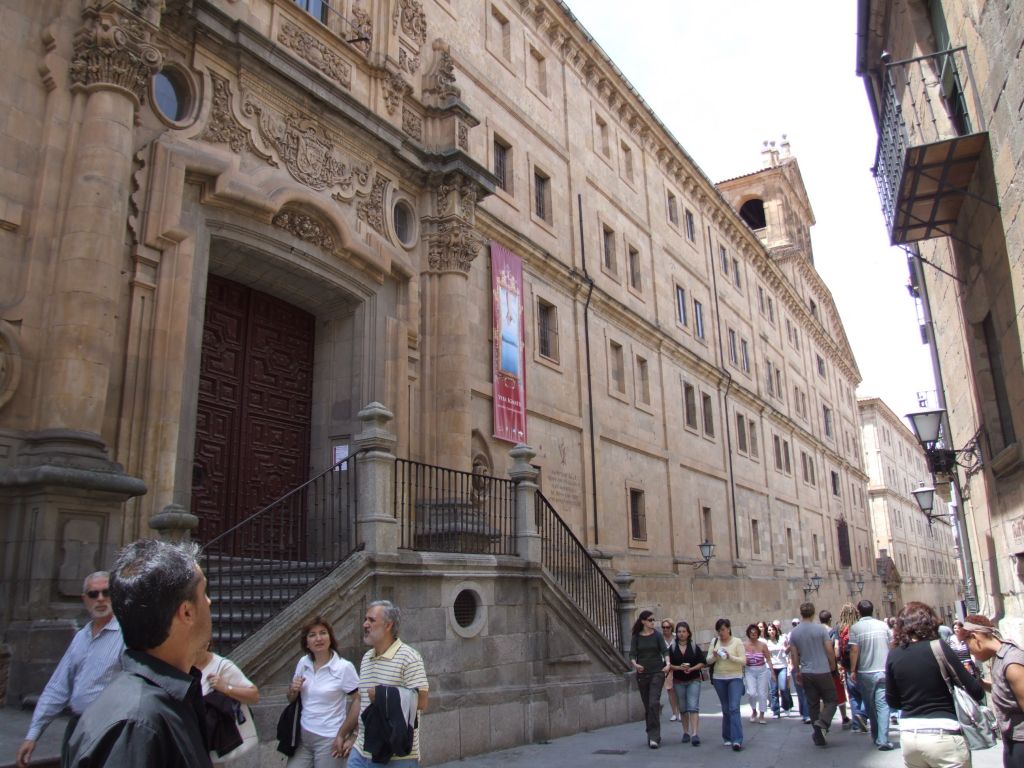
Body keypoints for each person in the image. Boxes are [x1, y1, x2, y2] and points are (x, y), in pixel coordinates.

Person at [64, 539, 214, 767]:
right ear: (186, 612)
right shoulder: (137, 725)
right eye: (204, 592)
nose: (210, 601)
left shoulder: (162, 705)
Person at [16, 572, 124, 768]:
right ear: (85, 599)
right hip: (78, 727)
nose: (100, 598)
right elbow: (58, 687)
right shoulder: (81, 637)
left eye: (106, 592)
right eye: (93, 594)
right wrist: (32, 735)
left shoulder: (127, 637)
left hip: (111, 730)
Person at [886, 602, 984, 768]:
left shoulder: (894, 654)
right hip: (944, 734)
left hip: (910, 737)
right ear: (930, 623)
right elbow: (975, 690)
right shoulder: (938, 647)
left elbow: (893, 702)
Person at [339, 600, 429, 767]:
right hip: (361, 751)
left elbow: (422, 701)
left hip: (395, 757)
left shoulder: (409, 657)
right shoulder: (367, 658)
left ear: (388, 625)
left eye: (371, 620)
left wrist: (383, 695)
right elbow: (360, 700)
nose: (365, 624)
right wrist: (343, 734)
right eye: (365, 619)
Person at [284, 616, 358, 768]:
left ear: (330, 637)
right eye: (312, 635)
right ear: (307, 643)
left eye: (323, 633)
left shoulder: (344, 667)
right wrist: (292, 690)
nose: (318, 638)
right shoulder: (303, 663)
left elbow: (360, 700)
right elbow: (291, 698)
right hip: (303, 737)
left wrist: (347, 735)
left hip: (329, 738)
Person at [960, 614, 1024, 768]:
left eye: (968, 646)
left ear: (975, 637)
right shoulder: (999, 657)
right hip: (1012, 739)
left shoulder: (1012, 663)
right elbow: (1006, 692)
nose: (971, 653)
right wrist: (980, 683)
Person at [197, 644, 260, 765]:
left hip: (218, 742)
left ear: (206, 644)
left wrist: (226, 688)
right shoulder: (181, 665)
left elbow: (254, 695)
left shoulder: (222, 666)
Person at [788, 602, 838, 747]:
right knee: (832, 700)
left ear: (801, 613)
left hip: (807, 672)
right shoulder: (820, 629)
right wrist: (832, 664)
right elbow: (829, 649)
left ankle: (818, 734)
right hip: (822, 670)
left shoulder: (795, 632)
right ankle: (823, 723)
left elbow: (794, 654)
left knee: (813, 703)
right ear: (813, 613)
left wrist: (797, 670)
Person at [849, 598, 895, 750]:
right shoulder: (883, 626)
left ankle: (876, 736)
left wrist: (853, 669)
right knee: (883, 705)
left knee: (870, 706)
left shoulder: (855, 628)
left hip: (865, 672)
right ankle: (882, 738)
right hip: (883, 670)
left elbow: (854, 650)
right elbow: (893, 645)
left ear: (858, 611)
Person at [624, 610, 669, 748]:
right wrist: (635, 665)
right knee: (648, 706)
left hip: (657, 672)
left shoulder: (657, 635)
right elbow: (632, 654)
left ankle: (654, 736)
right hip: (643, 675)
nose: (652, 622)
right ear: (643, 621)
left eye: (653, 620)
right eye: (650, 620)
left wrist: (667, 664)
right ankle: (652, 734)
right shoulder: (637, 637)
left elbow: (665, 651)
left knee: (653, 702)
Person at [707, 617, 746, 751]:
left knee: (734, 707)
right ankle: (727, 737)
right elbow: (708, 660)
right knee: (725, 708)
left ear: (728, 629)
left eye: (723, 630)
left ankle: (737, 739)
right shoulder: (715, 642)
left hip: (735, 677)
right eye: (719, 630)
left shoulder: (737, 642)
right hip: (719, 678)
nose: (721, 633)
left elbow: (743, 661)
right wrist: (714, 655)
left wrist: (730, 656)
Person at [667, 621, 705, 746]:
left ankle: (694, 733)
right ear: (676, 633)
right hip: (678, 681)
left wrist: (692, 669)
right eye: (679, 632)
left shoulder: (694, 646)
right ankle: (685, 732)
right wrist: (678, 668)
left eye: (684, 631)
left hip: (693, 679)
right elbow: (668, 664)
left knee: (693, 706)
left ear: (688, 633)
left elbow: (702, 662)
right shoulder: (672, 648)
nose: (681, 634)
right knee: (683, 708)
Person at [837, 602, 868, 733]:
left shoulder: (840, 629)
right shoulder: (859, 627)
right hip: (861, 665)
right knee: (866, 694)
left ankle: (856, 724)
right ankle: (862, 715)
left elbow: (837, 649)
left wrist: (840, 665)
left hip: (847, 666)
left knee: (853, 696)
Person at [820, 609, 853, 729]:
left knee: (822, 693)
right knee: (839, 691)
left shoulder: (817, 632)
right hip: (832, 666)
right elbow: (837, 648)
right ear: (829, 619)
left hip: (820, 667)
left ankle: (822, 719)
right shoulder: (834, 631)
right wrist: (838, 662)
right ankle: (844, 717)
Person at [742, 623, 771, 724]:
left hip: (762, 670)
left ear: (758, 633)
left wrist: (773, 672)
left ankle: (762, 715)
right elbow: (741, 659)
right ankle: (754, 710)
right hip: (749, 670)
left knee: (762, 693)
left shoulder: (762, 645)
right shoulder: (744, 645)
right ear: (748, 634)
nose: (753, 634)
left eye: (755, 632)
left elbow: (768, 658)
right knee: (752, 693)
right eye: (751, 632)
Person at [784, 616, 810, 722]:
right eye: (794, 624)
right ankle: (804, 712)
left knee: (805, 691)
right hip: (796, 665)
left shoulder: (805, 635)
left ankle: (806, 713)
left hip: (805, 664)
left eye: (798, 623)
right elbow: (788, 652)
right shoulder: (791, 635)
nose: (796, 625)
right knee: (800, 691)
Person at [764, 622, 792, 717]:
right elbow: (764, 655)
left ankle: (786, 706)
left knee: (783, 688)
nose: (771, 631)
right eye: (769, 630)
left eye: (773, 629)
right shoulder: (765, 642)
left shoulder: (782, 639)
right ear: (767, 632)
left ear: (776, 631)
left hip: (782, 665)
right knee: (773, 689)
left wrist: (788, 648)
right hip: (771, 667)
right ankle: (776, 710)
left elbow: (787, 651)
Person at [661, 618, 681, 722]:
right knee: (670, 690)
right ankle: (674, 712)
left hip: (677, 665)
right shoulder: (660, 639)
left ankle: (681, 711)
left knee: (679, 689)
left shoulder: (677, 638)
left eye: (667, 627)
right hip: (666, 667)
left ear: (671, 627)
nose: (665, 629)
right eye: (663, 627)